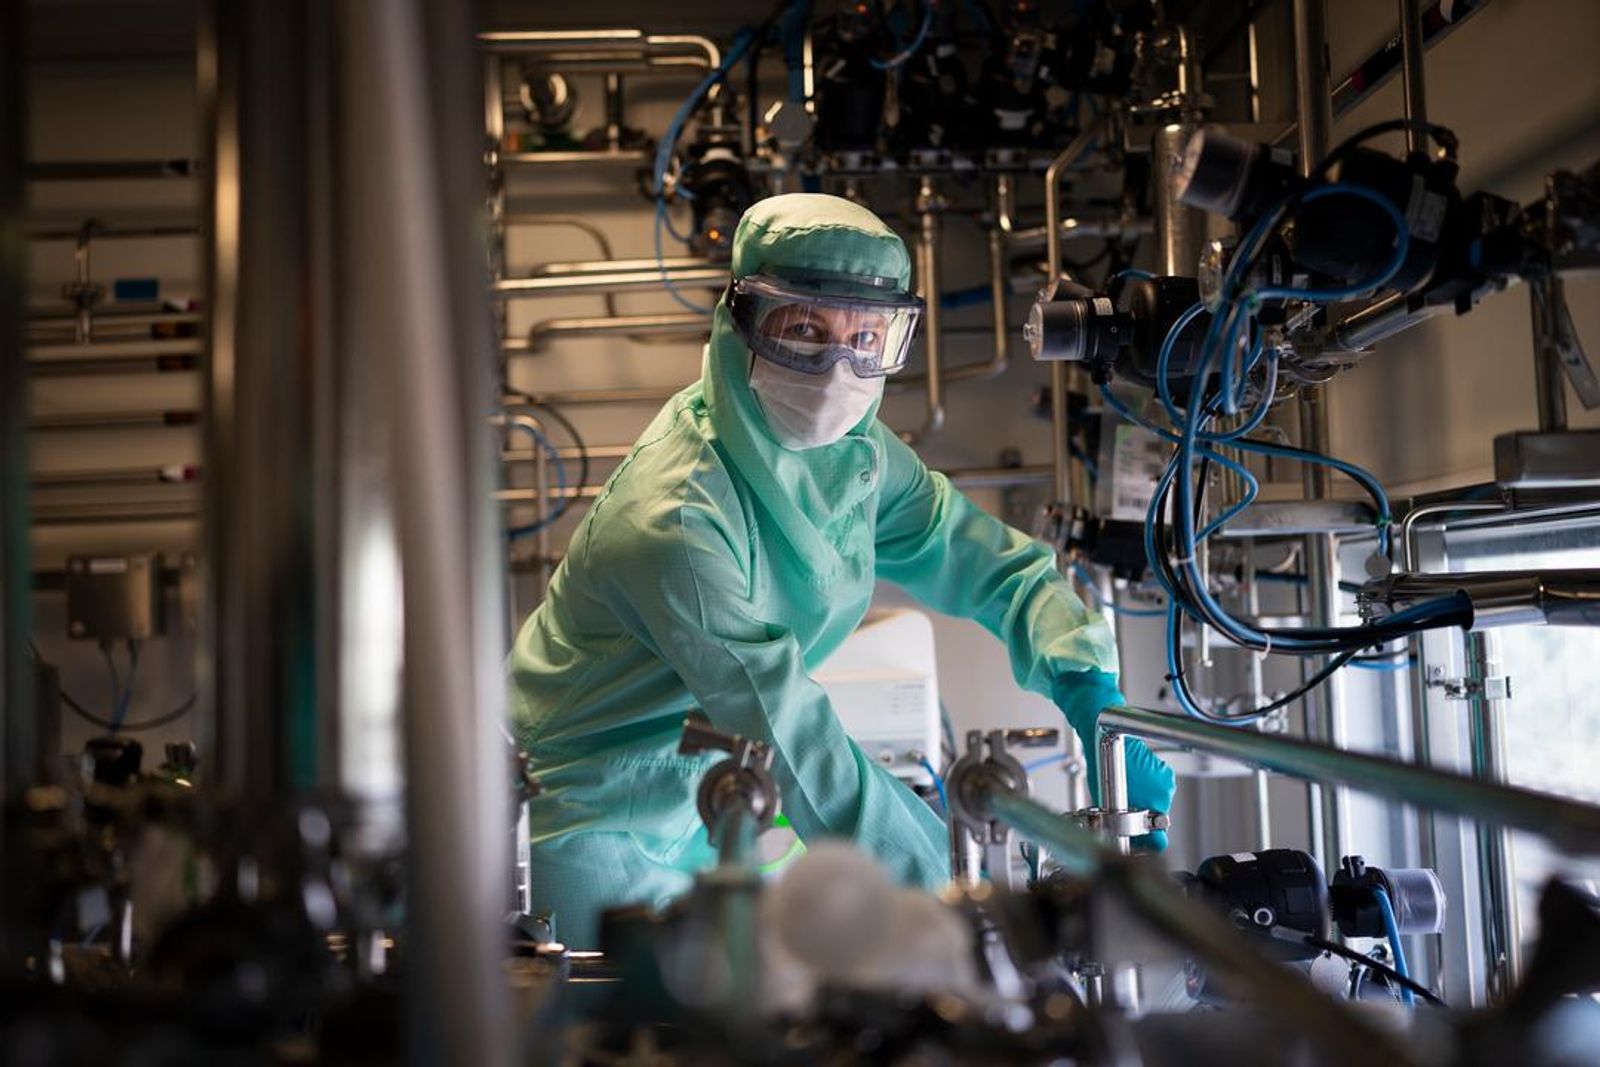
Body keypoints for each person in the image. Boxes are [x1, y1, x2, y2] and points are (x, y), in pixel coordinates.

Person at [508, 193, 1174, 947]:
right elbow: (796, 741)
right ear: (740, 321)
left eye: (867, 336)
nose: (838, 369)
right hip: (587, 831)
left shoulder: (856, 452)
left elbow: (991, 564)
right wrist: (971, 911)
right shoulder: (677, 520)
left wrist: (1088, 687)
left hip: (707, 804)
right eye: (803, 329)